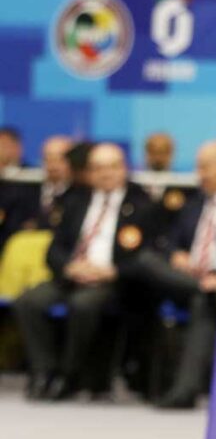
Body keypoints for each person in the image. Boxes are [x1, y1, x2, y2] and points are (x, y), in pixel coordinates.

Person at [132, 141, 216, 408]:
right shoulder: (193, 204)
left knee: (202, 302)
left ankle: (185, 390)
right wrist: (176, 254)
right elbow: (170, 241)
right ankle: (202, 288)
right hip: (186, 279)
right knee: (146, 260)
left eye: (205, 167)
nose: (200, 174)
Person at [13, 143, 153, 401]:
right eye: (98, 168)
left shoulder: (141, 205)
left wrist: (111, 271)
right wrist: (69, 266)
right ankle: (45, 371)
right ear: (89, 172)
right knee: (28, 301)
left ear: (124, 169)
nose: (105, 174)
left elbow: (148, 257)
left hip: (112, 281)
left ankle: (70, 374)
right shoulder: (75, 200)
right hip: (72, 275)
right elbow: (54, 248)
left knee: (83, 305)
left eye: (112, 167)